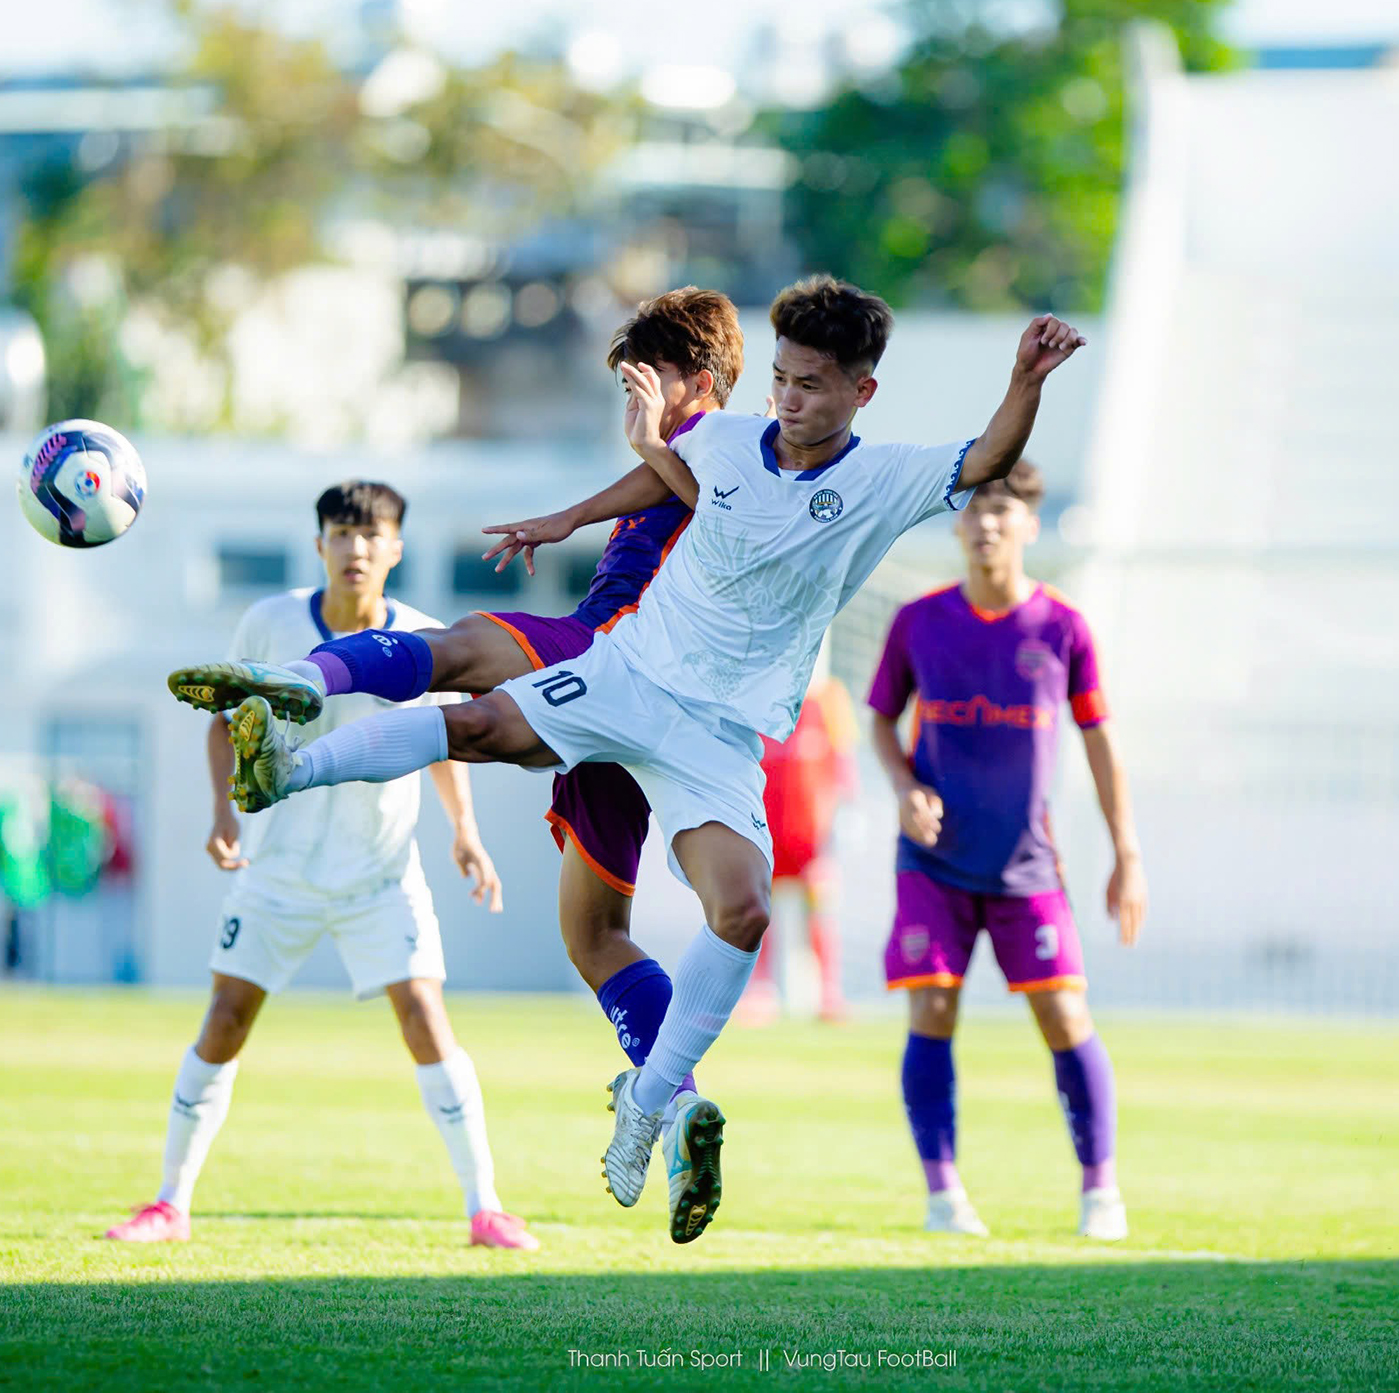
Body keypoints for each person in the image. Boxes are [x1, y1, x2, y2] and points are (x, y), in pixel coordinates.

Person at [183, 276, 1086, 1245]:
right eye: (780, 378)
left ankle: (650, 1100)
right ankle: (290, 765)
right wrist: (589, 497)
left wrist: (1026, 377)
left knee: (739, 907)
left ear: (860, 393)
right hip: (630, 669)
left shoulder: (884, 476)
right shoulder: (730, 437)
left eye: (813, 384)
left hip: (720, 733)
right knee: (480, 719)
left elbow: (989, 453)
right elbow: (666, 469)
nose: (787, 398)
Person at [164, 287, 743, 1144]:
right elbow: (692, 498)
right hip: (650, 718)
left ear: (698, 379)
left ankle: (303, 689)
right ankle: (681, 1102)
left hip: (606, 651)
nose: (634, 401)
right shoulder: (701, 448)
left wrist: (640, 449)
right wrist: (580, 510)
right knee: (594, 938)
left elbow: (714, 500)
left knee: (462, 653)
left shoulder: (719, 440)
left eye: (643, 381)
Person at [107, 480, 536, 1251]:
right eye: (341, 534)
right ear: (319, 547)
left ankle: (486, 1207)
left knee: (427, 1022)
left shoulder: (424, 637)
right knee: (225, 1022)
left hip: (380, 874)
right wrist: (221, 812)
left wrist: (466, 831)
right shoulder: (270, 623)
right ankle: (169, 1204)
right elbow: (224, 718)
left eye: (372, 535)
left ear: (396, 549)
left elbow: (445, 738)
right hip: (277, 876)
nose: (356, 548)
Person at [866, 460, 1147, 1241]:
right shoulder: (919, 621)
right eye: (974, 511)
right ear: (958, 526)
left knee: (1064, 1013)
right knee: (933, 1005)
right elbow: (881, 721)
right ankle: (943, 1197)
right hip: (933, 862)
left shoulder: (1062, 628)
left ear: (1029, 526)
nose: (986, 523)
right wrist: (902, 786)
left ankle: (1101, 1193)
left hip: (1026, 866)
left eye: (1003, 510)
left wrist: (1127, 851)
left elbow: (1101, 745)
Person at [741, 667, 859, 1024]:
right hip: (766, 828)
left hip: (812, 835)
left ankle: (829, 995)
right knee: (757, 911)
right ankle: (760, 991)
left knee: (820, 911)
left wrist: (848, 814)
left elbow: (843, 761)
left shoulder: (828, 698)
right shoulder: (756, 696)